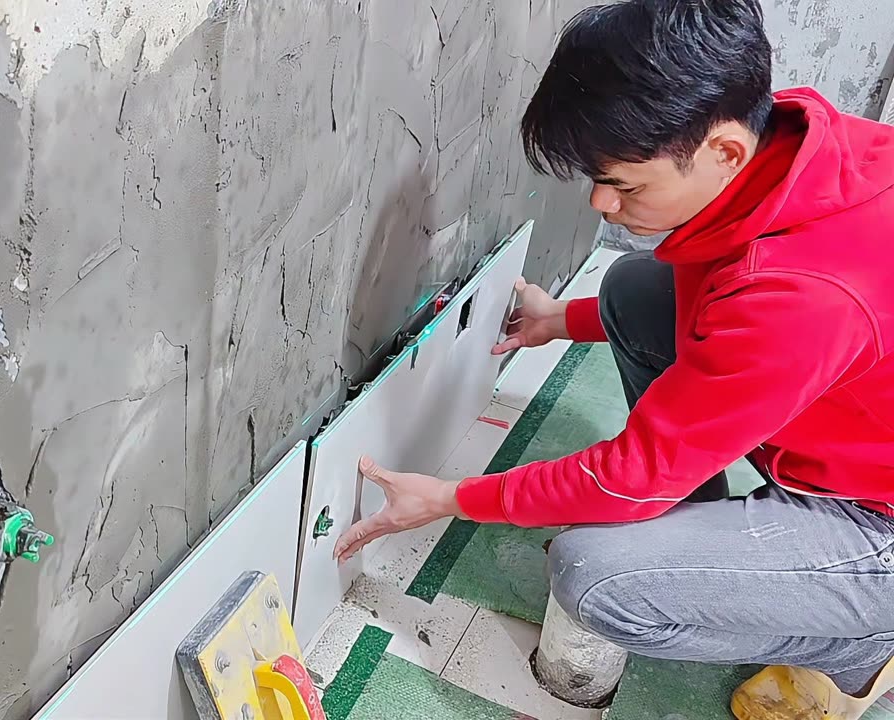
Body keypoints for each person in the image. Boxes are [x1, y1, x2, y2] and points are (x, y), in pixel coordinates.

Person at [333, 1, 894, 718]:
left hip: (877, 520)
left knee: (595, 577)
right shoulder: (787, 150)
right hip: (865, 434)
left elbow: (633, 474)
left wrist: (449, 499)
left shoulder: (802, 293)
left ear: (723, 152)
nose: (601, 202)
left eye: (625, 185)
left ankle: (861, 646)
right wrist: (561, 320)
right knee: (631, 287)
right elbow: (728, 310)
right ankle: (701, 530)